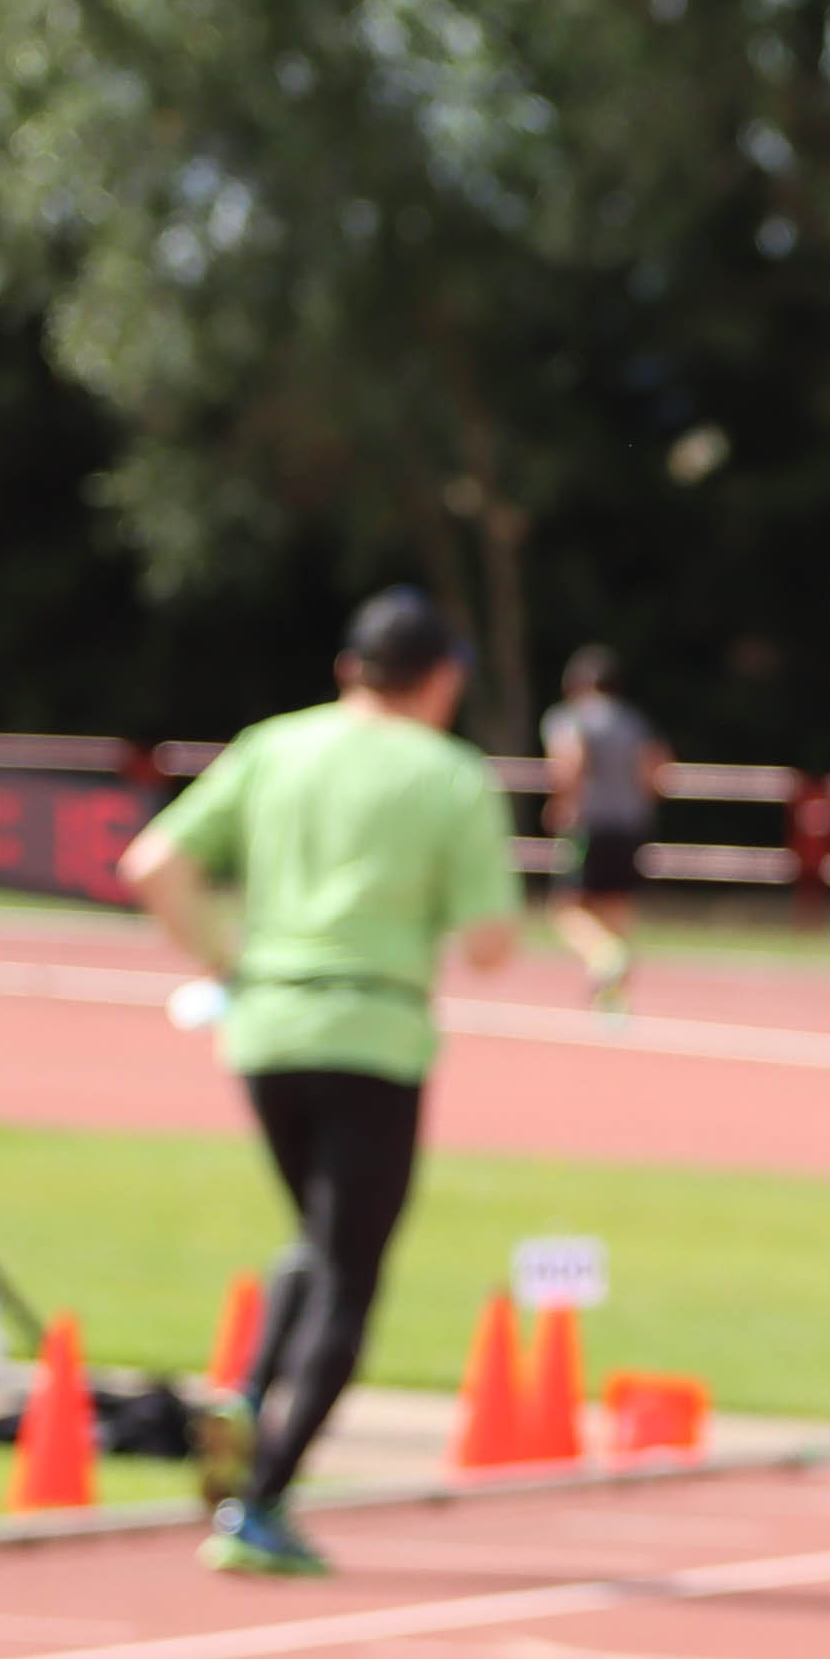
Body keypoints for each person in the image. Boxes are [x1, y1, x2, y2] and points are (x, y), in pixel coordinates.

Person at [122, 589, 522, 1577]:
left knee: (317, 1236)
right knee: (351, 1272)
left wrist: (223, 959)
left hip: (267, 1025)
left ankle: (250, 1392)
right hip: (374, 1030)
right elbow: (490, 943)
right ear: (443, 680)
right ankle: (261, 1497)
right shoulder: (450, 775)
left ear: (350, 669)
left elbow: (154, 862)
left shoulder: (276, 746)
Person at [541, 645, 667, 1013]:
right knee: (617, 906)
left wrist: (562, 802)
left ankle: (605, 957)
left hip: (589, 823)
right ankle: (613, 994)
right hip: (630, 825)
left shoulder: (571, 717)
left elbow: (571, 761)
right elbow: (655, 771)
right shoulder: (634, 721)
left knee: (566, 909)